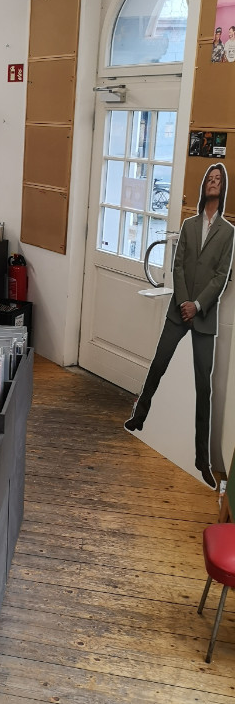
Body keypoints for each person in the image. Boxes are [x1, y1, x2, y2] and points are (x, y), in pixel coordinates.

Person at [125, 164, 234, 487]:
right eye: (209, 179)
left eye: (218, 180)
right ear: (203, 187)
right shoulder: (188, 225)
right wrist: (184, 302)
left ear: (223, 188)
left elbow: (221, 276)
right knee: (158, 366)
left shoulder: (228, 233)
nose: (213, 183)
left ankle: (201, 460)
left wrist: (198, 304)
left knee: (204, 385)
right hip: (179, 310)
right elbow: (178, 265)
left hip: (204, 316)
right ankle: (139, 418)